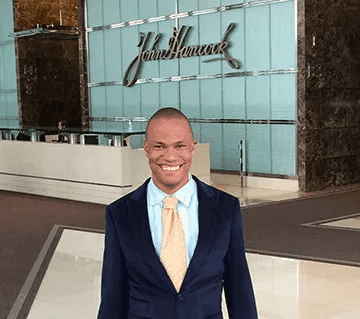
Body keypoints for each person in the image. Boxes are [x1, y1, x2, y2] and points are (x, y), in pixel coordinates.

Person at [97, 107, 258, 319]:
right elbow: (112, 298)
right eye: (159, 146)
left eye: (180, 145)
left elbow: (239, 290)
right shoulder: (120, 214)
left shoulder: (225, 209)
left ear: (193, 148)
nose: (170, 156)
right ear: (146, 149)